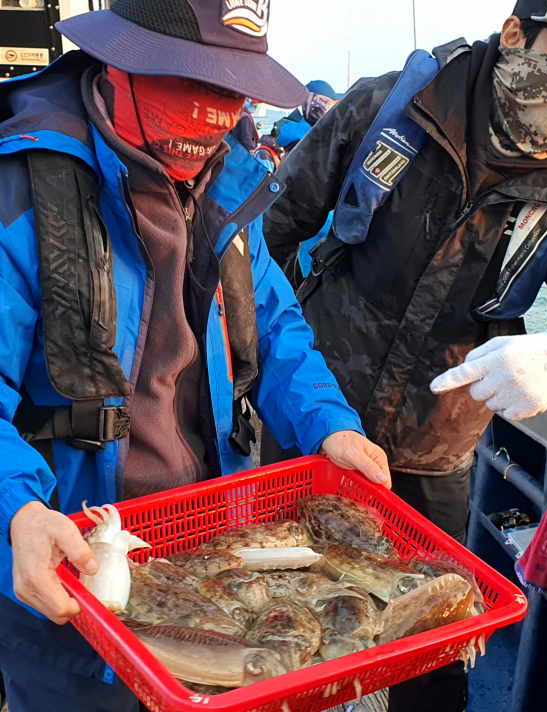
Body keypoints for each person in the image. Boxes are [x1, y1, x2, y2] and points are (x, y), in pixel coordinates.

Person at [0, 1, 391, 710]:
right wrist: (15, 516)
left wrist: (330, 425)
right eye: (193, 81)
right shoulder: (17, 190)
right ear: (119, 59)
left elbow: (274, 331)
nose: (215, 116)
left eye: (232, 87)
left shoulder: (228, 184)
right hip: (72, 554)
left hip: (212, 539)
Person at [261, 0, 547, 709]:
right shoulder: (387, 106)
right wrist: (259, 362)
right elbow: (269, 231)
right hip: (311, 415)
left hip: (435, 449)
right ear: (515, 34)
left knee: (434, 652)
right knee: (277, 603)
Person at [272, 79, 338, 155]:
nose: (336, 107)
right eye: (333, 102)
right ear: (319, 104)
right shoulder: (313, 140)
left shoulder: (297, 136)